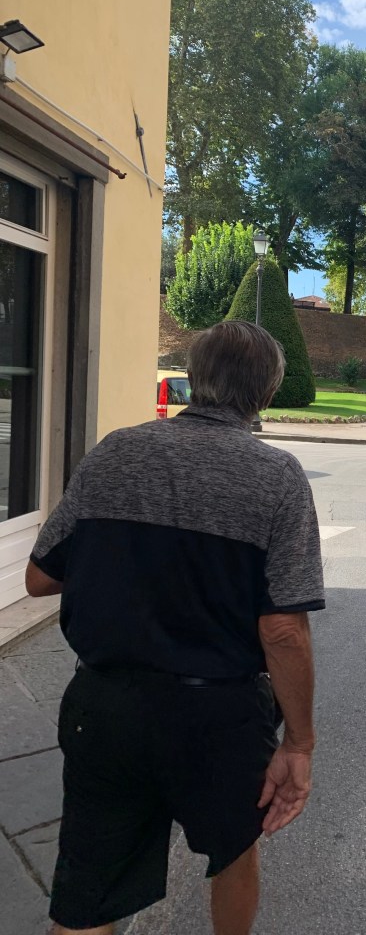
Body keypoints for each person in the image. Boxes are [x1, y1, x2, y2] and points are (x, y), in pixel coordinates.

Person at [25, 321, 324, 935]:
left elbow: (38, 578)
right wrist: (299, 744)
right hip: (218, 716)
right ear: (267, 392)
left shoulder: (115, 451)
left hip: (104, 707)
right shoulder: (277, 477)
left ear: (193, 378)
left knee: (89, 888)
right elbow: (283, 631)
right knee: (234, 853)